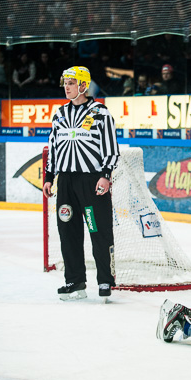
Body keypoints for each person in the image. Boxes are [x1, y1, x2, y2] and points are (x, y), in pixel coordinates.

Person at [43, 66, 120, 301]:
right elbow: (54, 147)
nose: (66, 87)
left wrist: (105, 175)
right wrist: (49, 177)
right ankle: (75, 281)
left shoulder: (100, 113)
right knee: (68, 231)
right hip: (65, 181)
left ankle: (105, 281)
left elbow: (111, 148)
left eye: (71, 83)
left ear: (83, 86)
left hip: (92, 181)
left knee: (99, 231)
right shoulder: (59, 114)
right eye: (65, 83)